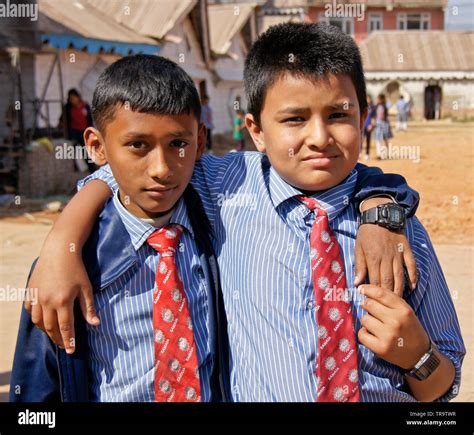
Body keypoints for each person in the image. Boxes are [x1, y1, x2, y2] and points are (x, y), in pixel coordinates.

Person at [17, 24, 465, 402]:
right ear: (255, 130)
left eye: (339, 115)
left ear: (365, 117)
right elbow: (126, 170)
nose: (319, 137)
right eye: (293, 119)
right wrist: (61, 244)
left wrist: (416, 354)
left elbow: (444, 390)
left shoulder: (403, 232)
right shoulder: (229, 189)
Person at [10, 55, 230, 402]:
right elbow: (38, 388)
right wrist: (62, 242)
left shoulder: (225, 231)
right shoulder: (66, 267)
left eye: (178, 144)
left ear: (200, 141)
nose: (161, 169)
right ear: (97, 147)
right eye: (138, 145)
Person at [61, 88, 95, 172]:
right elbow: (63, 119)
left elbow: (89, 120)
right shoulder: (68, 108)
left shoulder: (85, 106)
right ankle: (75, 168)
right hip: (73, 132)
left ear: (78, 97)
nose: (73, 101)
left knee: (86, 152)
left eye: (74, 98)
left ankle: (92, 170)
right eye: (71, 99)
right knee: (73, 152)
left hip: (84, 132)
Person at [374, 94, 393, 159]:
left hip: (383, 124)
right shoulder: (377, 106)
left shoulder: (384, 106)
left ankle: (387, 154)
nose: (377, 100)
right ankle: (379, 154)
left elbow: (390, 103)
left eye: (378, 99)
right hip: (380, 124)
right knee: (378, 139)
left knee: (385, 139)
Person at [362, 95, 376, 159]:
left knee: (368, 141)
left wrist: (371, 125)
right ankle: (359, 154)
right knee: (361, 140)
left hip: (369, 126)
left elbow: (373, 117)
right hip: (363, 126)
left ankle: (367, 154)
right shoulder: (363, 107)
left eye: (369, 99)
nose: (368, 100)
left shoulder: (373, 107)